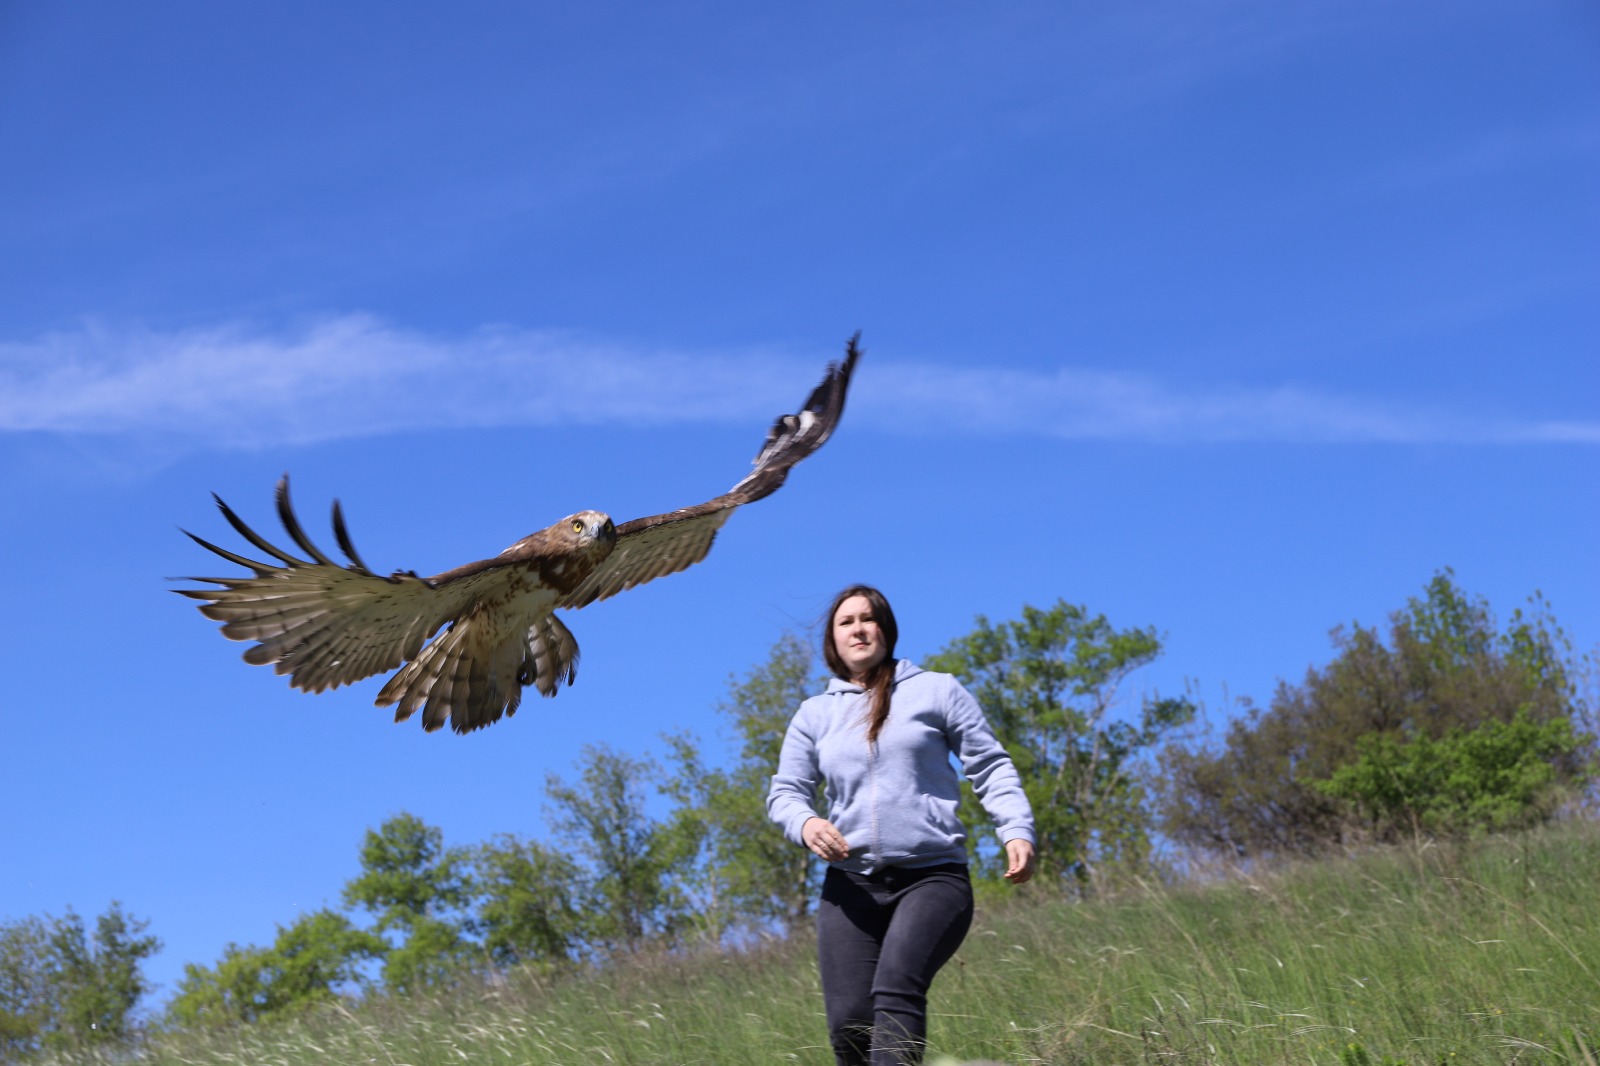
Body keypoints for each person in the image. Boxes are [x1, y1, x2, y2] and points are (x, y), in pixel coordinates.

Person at [767, 584, 1036, 1066]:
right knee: (849, 1022)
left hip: (932, 877)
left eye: (868, 618)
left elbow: (990, 765)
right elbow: (785, 793)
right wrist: (806, 824)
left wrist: (1016, 828)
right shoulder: (814, 715)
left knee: (895, 988)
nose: (858, 628)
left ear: (886, 629)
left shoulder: (937, 690)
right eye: (846, 621)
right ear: (832, 639)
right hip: (851, 887)